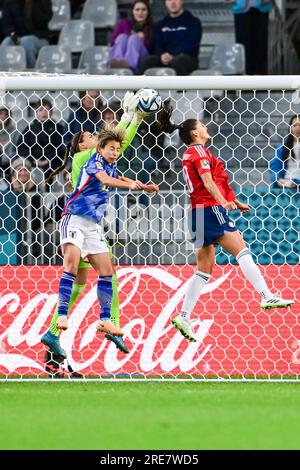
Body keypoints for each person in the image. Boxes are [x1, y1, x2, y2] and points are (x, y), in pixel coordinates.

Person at [158, 101, 294, 342]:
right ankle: (266, 294)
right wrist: (223, 201)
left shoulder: (191, 153)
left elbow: (212, 181)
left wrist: (235, 200)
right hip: (209, 208)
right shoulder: (198, 151)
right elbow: (208, 181)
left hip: (196, 213)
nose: (205, 126)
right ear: (194, 133)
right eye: (201, 125)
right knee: (240, 248)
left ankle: (185, 315)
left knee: (204, 269)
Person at [41, 92, 151, 358]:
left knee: (99, 274)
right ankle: (70, 328)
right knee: (78, 272)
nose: (91, 136)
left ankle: (62, 337)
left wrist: (131, 118)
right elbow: (115, 144)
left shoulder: (105, 157)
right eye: (87, 137)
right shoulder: (84, 159)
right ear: (82, 146)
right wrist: (131, 117)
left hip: (92, 224)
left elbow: (117, 145)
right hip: (76, 219)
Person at [140, 0, 202, 76]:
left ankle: (183, 87)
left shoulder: (193, 22)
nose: (172, 3)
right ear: (165, 3)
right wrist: (162, 55)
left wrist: (173, 55)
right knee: (148, 61)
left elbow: (192, 44)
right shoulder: (161, 24)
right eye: (169, 0)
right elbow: (157, 44)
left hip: (187, 58)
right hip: (165, 58)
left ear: (182, 1)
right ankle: (141, 87)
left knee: (177, 62)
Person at [16, 98, 65, 189]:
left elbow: (61, 147)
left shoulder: (58, 128)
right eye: (41, 110)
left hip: (52, 161)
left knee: (49, 169)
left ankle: (48, 195)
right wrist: (33, 160)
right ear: (36, 112)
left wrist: (48, 160)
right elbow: (21, 147)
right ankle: (28, 194)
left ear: (51, 112)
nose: (44, 113)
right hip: (33, 160)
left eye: (47, 110)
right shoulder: (30, 128)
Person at [1, 0, 52, 68]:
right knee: (7, 41)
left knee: (26, 42)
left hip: (40, 37)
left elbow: (44, 21)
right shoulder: (10, 2)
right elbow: (6, 23)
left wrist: (30, 6)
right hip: (17, 37)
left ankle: (30, 71)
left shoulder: (42, 2)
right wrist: (14, 36)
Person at [227, 0, 273, 75]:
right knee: (243, 47)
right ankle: (244, 77)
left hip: (261, 6)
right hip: (242, 7)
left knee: (260, 46)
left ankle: (260, 78)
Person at [109, 0, 154, 74]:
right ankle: (117, 63)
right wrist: (128, 38)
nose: (140, 13)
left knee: (134, 39)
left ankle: (129, 67)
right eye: (137, 10)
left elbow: (153, 49)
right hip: (123, 55)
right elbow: (112, 41)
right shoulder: (123, 23)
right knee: (122, 37)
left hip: (142, 58)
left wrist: (143, 40)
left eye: (143, 10)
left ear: (148, 12)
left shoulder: (152, 26)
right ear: (132, 12)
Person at [270, 114, 300, 188]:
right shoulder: (282, 148)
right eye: (294, 125)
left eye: (299, 125)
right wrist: (278, 180)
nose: (297, 128)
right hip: (287, 182)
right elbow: (275, 167)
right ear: (290, 128)